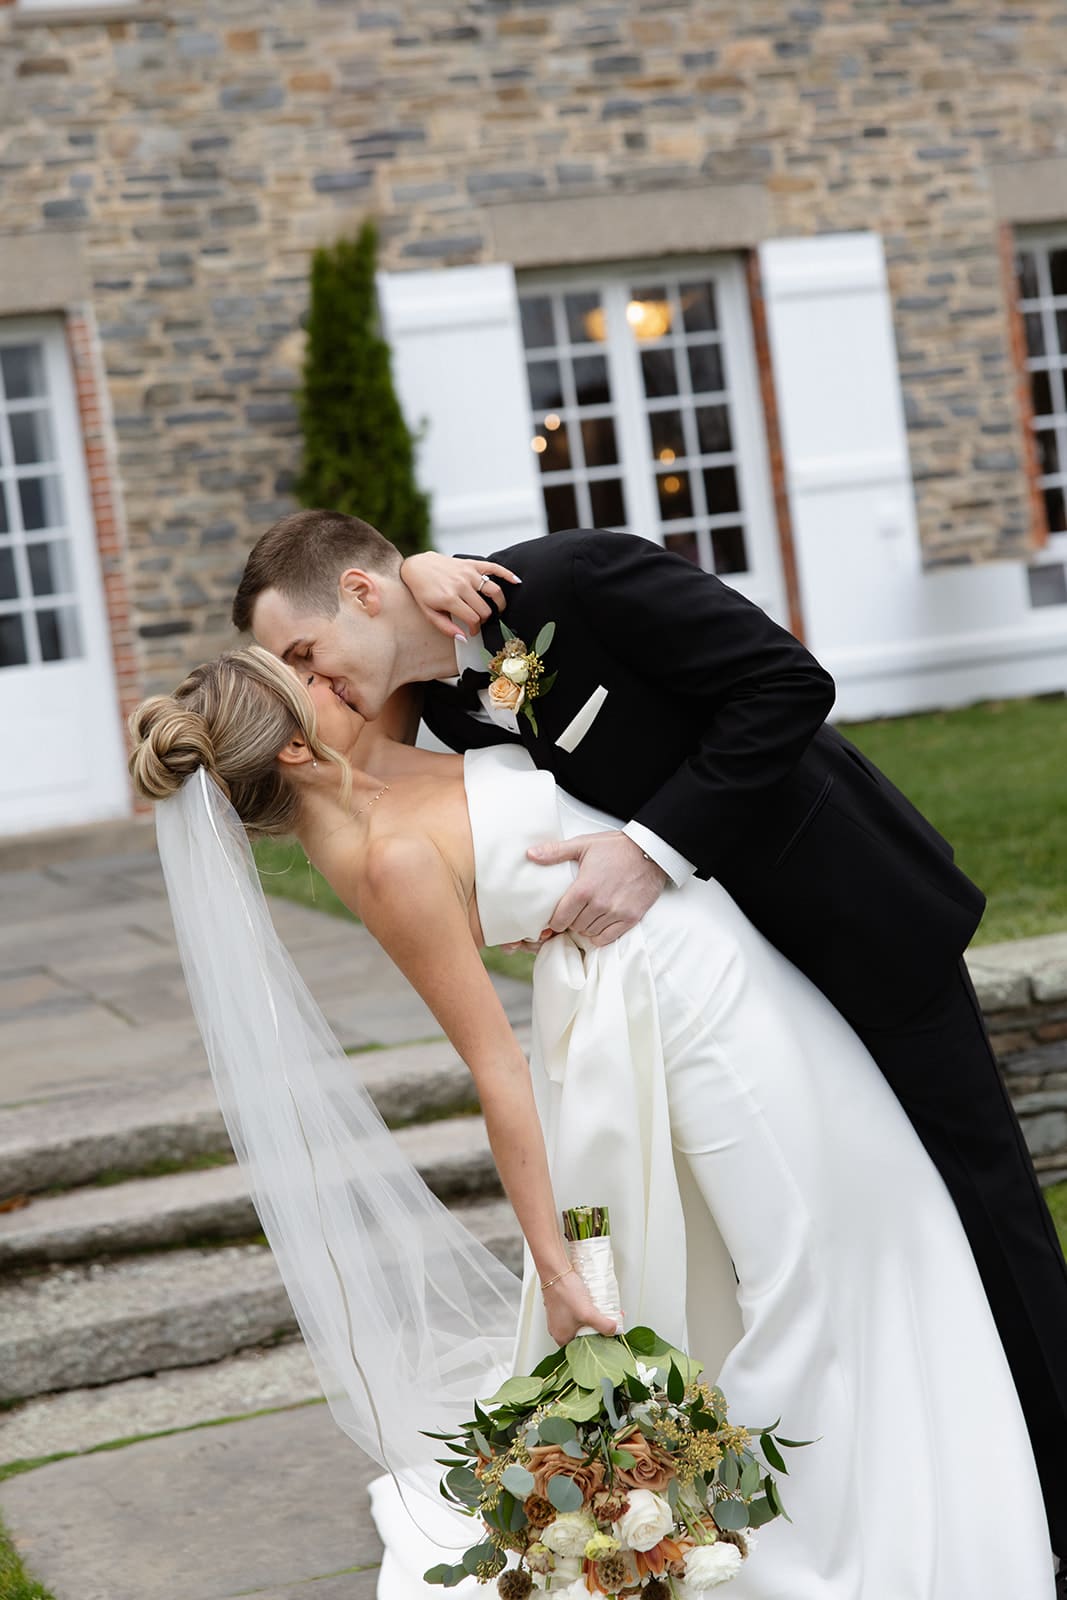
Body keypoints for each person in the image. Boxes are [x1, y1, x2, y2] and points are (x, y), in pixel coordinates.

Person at [234, 510, 1067, 1581]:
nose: (312, 680)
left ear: (359, 593)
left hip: (843, 919)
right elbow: (344, 762)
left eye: (304, 654)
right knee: (845, 1232)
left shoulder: (577, 580)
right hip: (723, 988)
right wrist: (417, 573)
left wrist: (648, 849)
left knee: (977, 1207)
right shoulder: (430, 701)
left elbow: (784, 686)